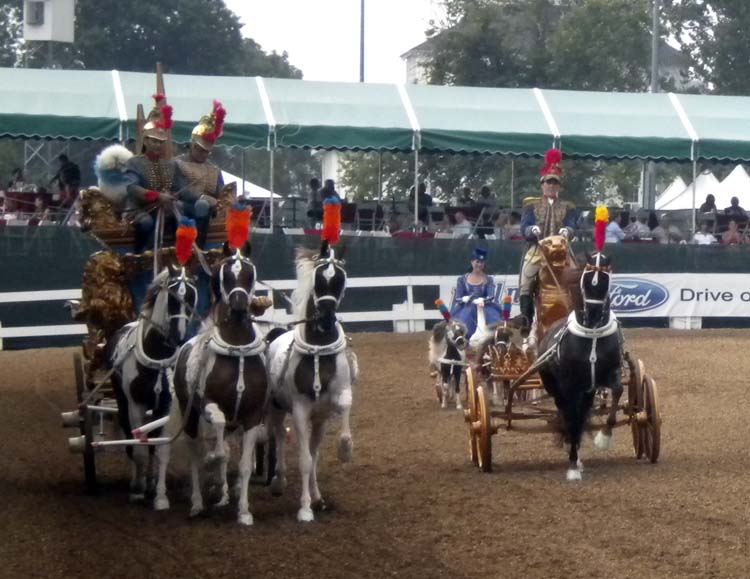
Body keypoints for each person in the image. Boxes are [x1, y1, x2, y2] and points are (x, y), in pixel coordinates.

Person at [518, 149, 576, 324]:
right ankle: (526, 319)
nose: (551, 186)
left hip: (562, 249)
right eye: (548, 183)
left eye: (554, 183)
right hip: (538, 250)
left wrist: (568, 231)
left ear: (559, 187)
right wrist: (531, 230)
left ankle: (577, 315)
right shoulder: (531, 204)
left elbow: (573, 225)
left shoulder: (568, 206)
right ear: (542, 185)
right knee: (526, 279)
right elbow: (524, 228)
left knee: (576, 277)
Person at [124, 94, 185, 253]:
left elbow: (179, 188)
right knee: (146, 222)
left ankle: (180, 254)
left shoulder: (171, 164)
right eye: (154, 141)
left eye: (160, 142)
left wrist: (173, 195)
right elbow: (132, 188)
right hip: (140, 209)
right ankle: (140, 255)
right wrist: (157, 196)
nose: (158, 145)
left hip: (166, 208)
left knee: (183, 217)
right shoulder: (134, 162)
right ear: (145, 141)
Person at [175, 100, 226, 247]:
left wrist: (223, 201)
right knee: (200, 204)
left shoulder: (214, 169)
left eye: (207, 152)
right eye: (201, 150)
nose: (204, 154)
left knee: (205, 206)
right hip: (184, 206)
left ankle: (201, 246)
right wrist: (204, 197)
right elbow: (181, 189)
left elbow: (221, 194)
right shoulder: (177, 163)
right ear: (192, 145)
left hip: (208, 211)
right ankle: (192, 246)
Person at [449, 247, 503, 338]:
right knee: (460, 326)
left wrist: (483, 300)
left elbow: (491, 296)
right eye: (477, 262)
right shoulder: (462, 279)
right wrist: (464, 299)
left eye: (482, 262)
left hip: (484, 308)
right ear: (472, 262)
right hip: (466, 308)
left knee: (494, 327)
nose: (479, 264)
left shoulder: (488, 279)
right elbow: (458, 297)